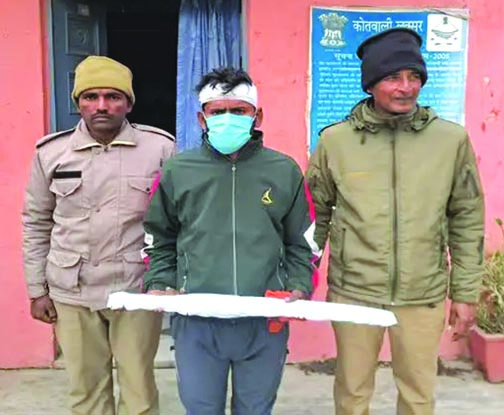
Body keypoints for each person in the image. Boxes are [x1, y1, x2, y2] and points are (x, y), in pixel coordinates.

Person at [306, 28, 484, 415]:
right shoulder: (335, 142)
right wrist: (303, 277)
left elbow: (467, 218)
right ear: (370, 84)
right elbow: (314, 216)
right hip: (355, 291)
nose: (406, 87)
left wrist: (465, 292)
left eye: (414, 76)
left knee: (419, 394)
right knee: (352, 393)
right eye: (392, 77)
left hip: (423, 291)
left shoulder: (450, 141)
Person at [143, 67, 314, 415]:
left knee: (256, 409)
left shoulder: (284, 170)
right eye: (217, 111)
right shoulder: (178, 171)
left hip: (264, 318)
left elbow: (303, 241)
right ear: (202, 118)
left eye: (239, 111)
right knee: (201, 408)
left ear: (257, 116)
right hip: (196, 318)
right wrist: (161, 282)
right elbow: (159, 237)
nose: (228, 119)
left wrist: (298, 286)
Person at [22, 56, 175, 415]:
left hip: (135, 287)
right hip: (71, 288)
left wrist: (168, 281)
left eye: (113, 96)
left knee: (139, 391)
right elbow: (36, 222)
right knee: (86, 391)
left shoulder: (160, 149)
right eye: (90, 97)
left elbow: (175, 222)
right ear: (78, 103)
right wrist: (36, 290)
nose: (101, 105)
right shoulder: (51, 153)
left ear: (129, 103)